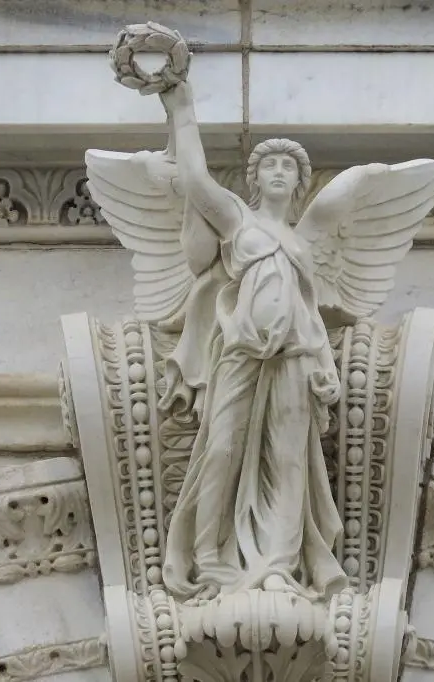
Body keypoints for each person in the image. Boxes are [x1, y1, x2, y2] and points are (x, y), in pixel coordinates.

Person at [157, 81, 348, 601]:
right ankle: (209, 558)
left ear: (301, 183)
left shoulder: (302, 245)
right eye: (270, 165)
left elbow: (308, 310)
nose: (279, 172)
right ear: (255, 178)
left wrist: (326, 366)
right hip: (240, 352)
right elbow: (195, 180)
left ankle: (278, 566)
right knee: (221, 448)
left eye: (289, 167)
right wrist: (181, 108)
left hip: (295, 357)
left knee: (289, 459)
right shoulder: (238, 221)